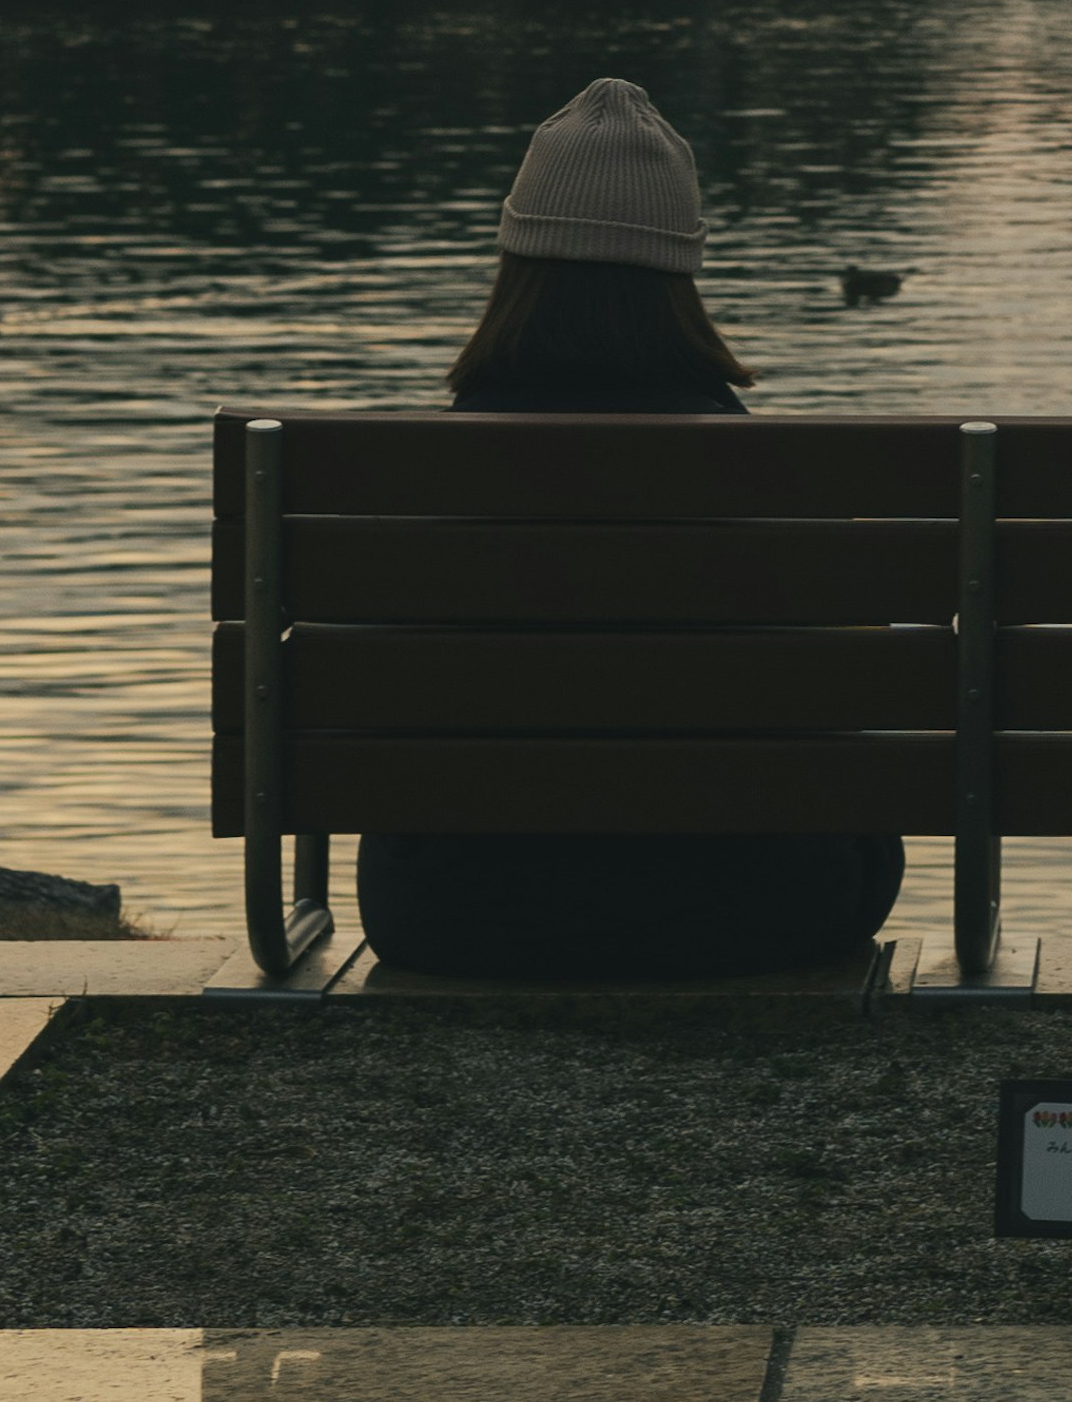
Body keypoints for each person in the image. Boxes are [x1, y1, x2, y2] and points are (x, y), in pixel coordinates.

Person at [351, 76, 907, 984]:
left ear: (516, 263)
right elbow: (854, 712)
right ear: (683, 274)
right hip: (768, 908)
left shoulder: (405, 490)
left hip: (455, 913)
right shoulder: (786, 491)